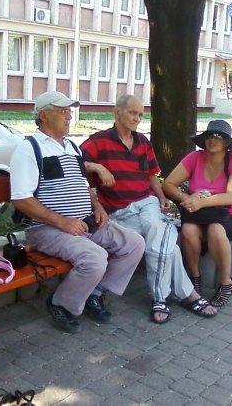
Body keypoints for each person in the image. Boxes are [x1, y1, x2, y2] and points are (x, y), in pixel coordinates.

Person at [9, 91, 145, 333]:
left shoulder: (71, 147)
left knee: (134, 244)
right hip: (46, 229)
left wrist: (97, 206)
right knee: (95, 258)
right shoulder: (29, 148)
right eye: (63, 111)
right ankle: (61, 303)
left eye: (69, 111)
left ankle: (95, 293)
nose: (69, 116)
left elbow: (84, 185)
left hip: (85, 223)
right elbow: (21, 199)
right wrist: (62, 222)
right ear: (43, 115)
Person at [80, 94, 217, 324]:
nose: (137, 118)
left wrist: (162, 197)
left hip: (147, 203)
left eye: (140, 114)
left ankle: (161, 297)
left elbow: (151, 175)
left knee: (155, 226)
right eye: (132, 113)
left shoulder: (143, 142)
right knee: (165, 243)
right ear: (117, 112)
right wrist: (97, 167)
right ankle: (184, 295)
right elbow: (73, 163)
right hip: (119, 212)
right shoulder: (98, 141)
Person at [162, 120, 232, 308]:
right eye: (209, 135)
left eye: (219, 136)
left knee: (215, 230)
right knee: (188, 230)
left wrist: (201, 202)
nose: (212, 140)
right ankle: (194, 278)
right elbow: (168, 184)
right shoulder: (195, 157)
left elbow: (231, 196)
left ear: (227, 142)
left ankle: (225, 282)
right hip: (201, 215)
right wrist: (187, 197)